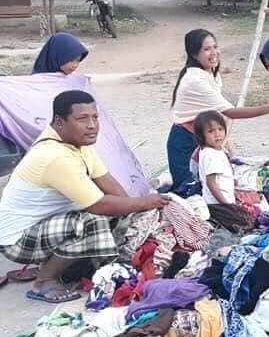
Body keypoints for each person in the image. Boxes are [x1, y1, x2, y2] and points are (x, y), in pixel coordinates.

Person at [0, 91, 167, 303]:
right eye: (82, 119)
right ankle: (44, 280)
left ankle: (64, 265)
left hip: (43, 227)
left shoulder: (77, 143)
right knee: (94, 220)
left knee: (115, 213)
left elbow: (111, 186)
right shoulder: (54, 155)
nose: (92, 125)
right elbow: (98, 205)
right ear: (60, 122)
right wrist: (143, 203)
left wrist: (131, 209)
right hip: (17, 240)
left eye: (95, 117)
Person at [166, 29, 269, 193]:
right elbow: (230, 112)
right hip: (186, 142)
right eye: (207, 49)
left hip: (203, 137)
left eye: (215, 47)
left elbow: (218, 116)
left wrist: (226, 148)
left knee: (212, 185)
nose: (214, 53)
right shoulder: (195, 80)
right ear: (194, 54)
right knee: (192, 192)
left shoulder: (210, 73)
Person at [194, 110, 256, 233]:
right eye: (211, 131)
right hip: (217, 204)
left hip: (221, 201)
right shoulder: (211, 155)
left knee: (248, 218)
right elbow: (211, 183)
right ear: (202, 135)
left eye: (220, 129)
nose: (217, 134)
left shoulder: (213, 150)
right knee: (246, 224)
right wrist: (227, 205)